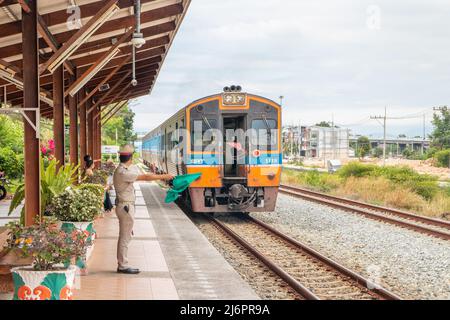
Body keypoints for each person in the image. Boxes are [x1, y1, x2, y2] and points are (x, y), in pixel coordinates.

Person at [113, 145, 173, 274]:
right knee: (125, 237)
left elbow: (141, 173)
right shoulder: (124, 172)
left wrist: (153, 170)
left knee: (126, 235)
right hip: (126, 207)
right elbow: (145, 178)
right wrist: (164, 176)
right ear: (131, 157)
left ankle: (122, 263)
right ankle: (122, 265)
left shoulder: (123, 169)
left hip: (125, 207)